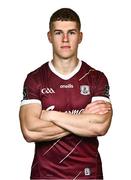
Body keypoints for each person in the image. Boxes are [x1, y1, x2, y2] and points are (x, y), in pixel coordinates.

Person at [19, 8, 112, 179]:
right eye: (58, 33)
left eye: (71, 32)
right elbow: (29, 131)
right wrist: (82, 120)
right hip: (45, 175)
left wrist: (49, 115)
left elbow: (99, 126)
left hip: (88, 175)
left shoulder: (96, 78)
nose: (65, 39)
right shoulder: (35, 79)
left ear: (80, 37)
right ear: (49, 37)